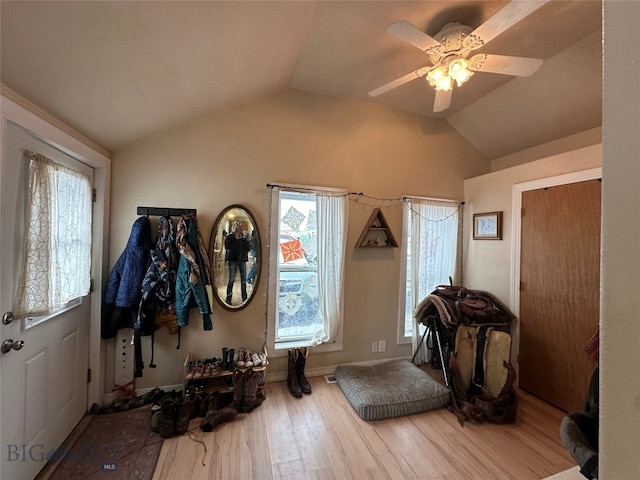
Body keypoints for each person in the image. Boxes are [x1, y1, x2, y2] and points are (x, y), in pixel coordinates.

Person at [224, 222, 250, 304]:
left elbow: (248, 249)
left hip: (242, 260)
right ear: (235, 229)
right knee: (231, 279)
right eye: (239, 229)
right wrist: (235, 238)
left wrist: (247, 241)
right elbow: (227, 247)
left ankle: (244, 298)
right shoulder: (230, 237)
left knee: (243, 280)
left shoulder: (243, 238)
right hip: (233, 259)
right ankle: (228, 298)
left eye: (241, 229)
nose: (240, 231)